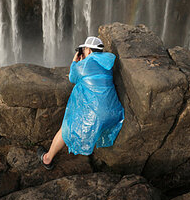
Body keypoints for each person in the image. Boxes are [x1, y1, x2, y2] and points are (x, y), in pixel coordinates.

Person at [38, 36, 125, 169]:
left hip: (96, 116)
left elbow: (72, 78)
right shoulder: (107, 64)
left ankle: (47, 158)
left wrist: (75, 61)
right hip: (114, 114)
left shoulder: (84, 65)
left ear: (89, 50)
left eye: (83, 50)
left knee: (66, 128)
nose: (82, 53)